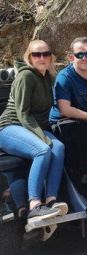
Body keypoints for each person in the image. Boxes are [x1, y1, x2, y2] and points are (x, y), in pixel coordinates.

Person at [0, 40, 68, 224]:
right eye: (37, 55)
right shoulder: (26, 77)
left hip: (32, 127)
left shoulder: (48, 77)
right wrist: (42, 137)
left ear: (51, 56)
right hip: (10, 127)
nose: (42, 58)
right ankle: (35, 206)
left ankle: (52, 200)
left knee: (59, 147)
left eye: (45, 54)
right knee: (43, 149)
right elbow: (23, 114)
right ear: (29, 57)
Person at [49, 37, 87, 191]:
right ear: (72, 57)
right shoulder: (65, 77)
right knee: (80, 133)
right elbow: (65, 109)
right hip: (63, 122)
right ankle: (83, 182)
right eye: (79, 55)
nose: (84, 58)